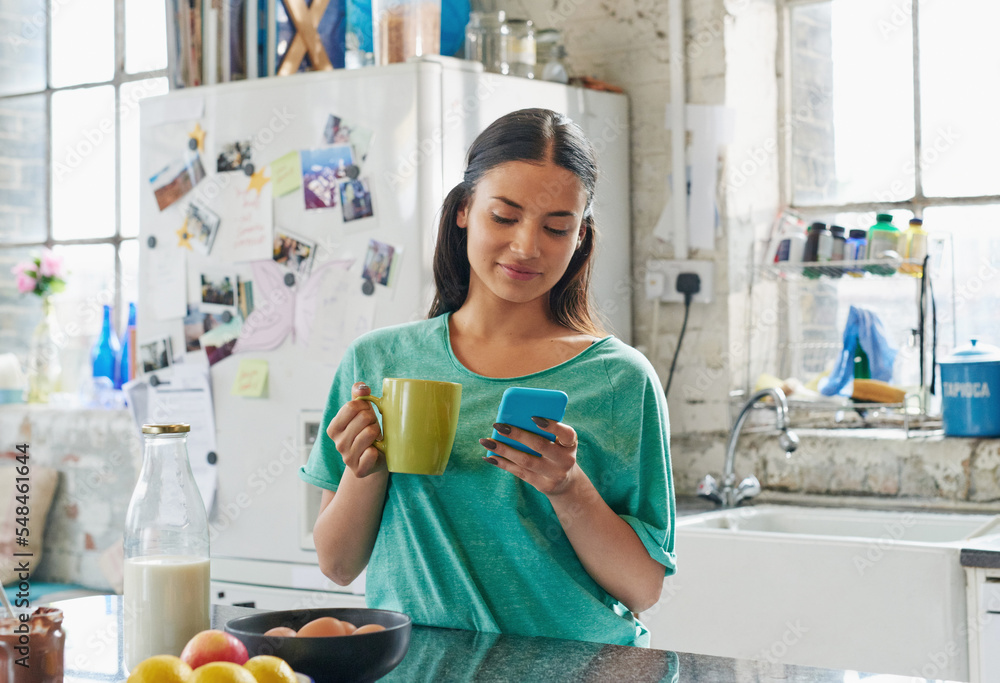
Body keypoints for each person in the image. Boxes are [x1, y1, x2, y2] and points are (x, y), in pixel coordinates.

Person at [300, 108, 675, 647]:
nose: (527, 247)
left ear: (580, 237)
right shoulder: (379, 362)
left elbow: (643, 589)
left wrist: (568, 489)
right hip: (421, 668)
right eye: (504, 217)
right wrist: (366, 468)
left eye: (556, 228)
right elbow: (337, 564)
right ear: (463, 211)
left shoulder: (619, 379)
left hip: (577, 669)